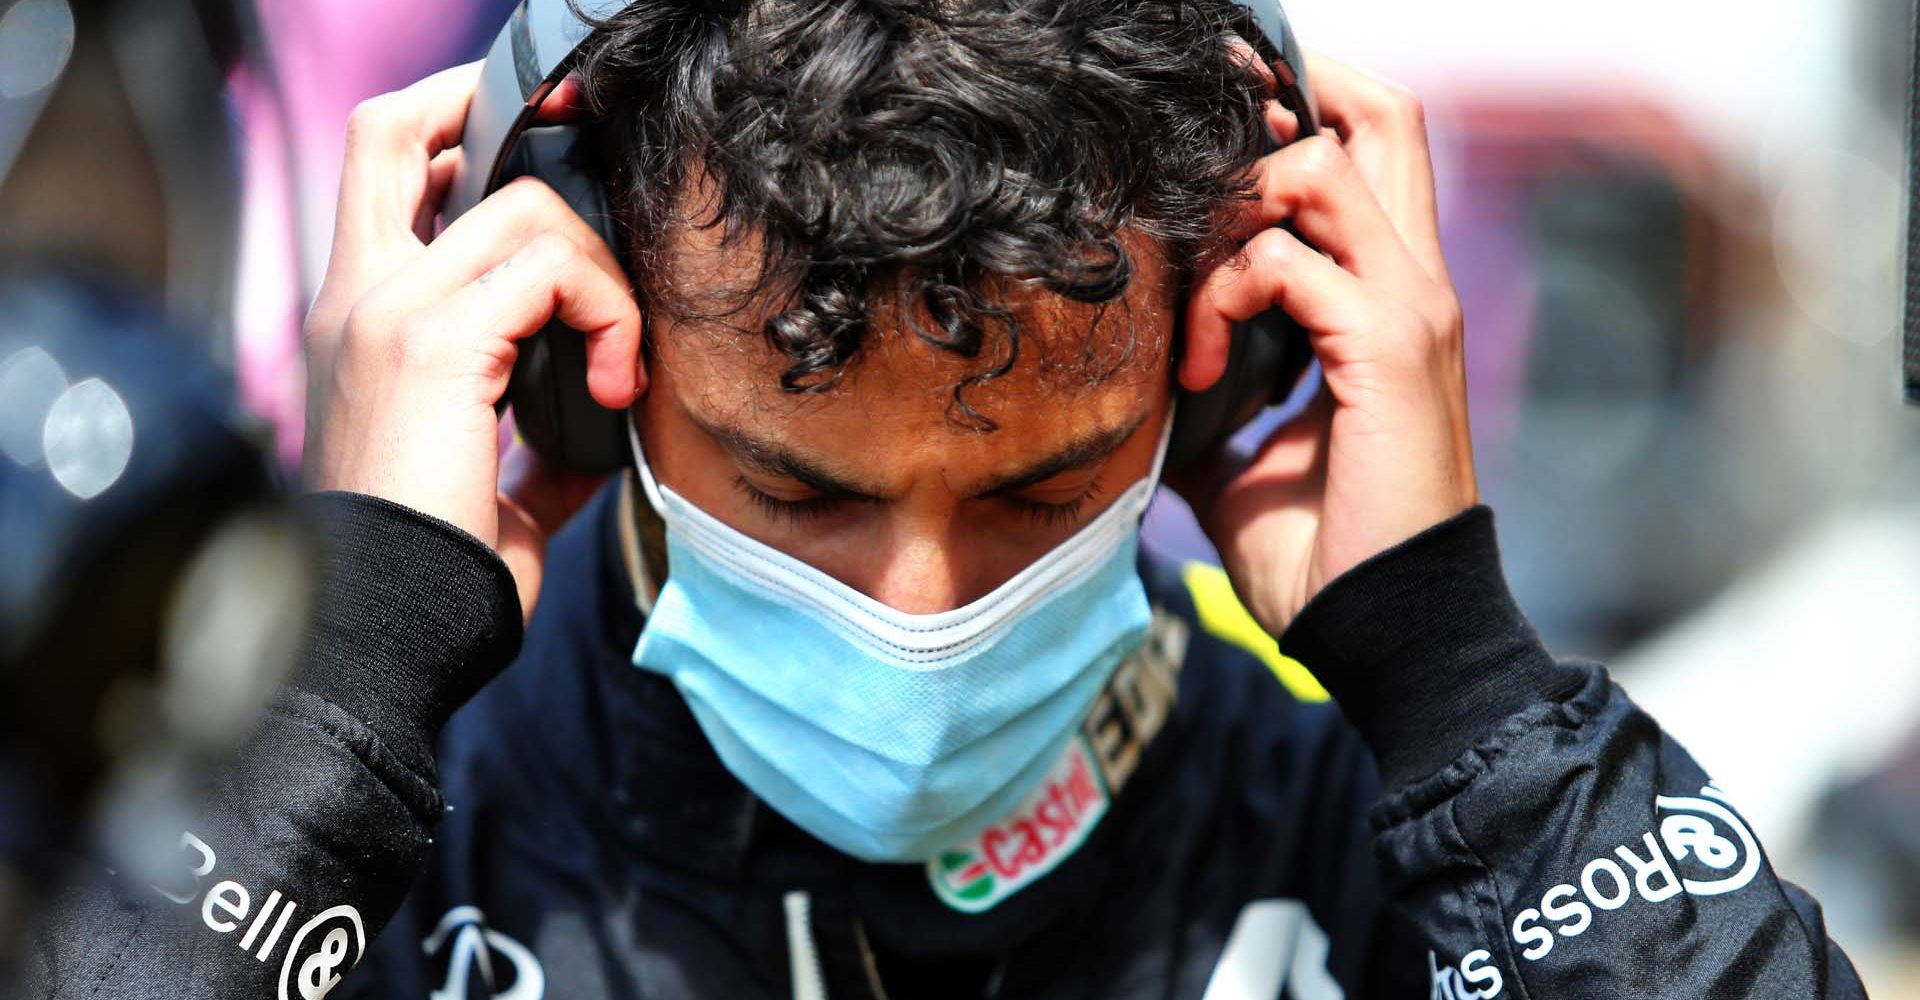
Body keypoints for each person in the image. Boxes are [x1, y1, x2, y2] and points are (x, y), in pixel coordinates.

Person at [28, 2, 1867, 998]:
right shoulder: (378, 843)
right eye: (796, 492)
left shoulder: (1389, 845)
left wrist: (1464, 691)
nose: (919, 611)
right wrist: (346, 675)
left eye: (1039, 492)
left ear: (1215, 363)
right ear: (578, 360)